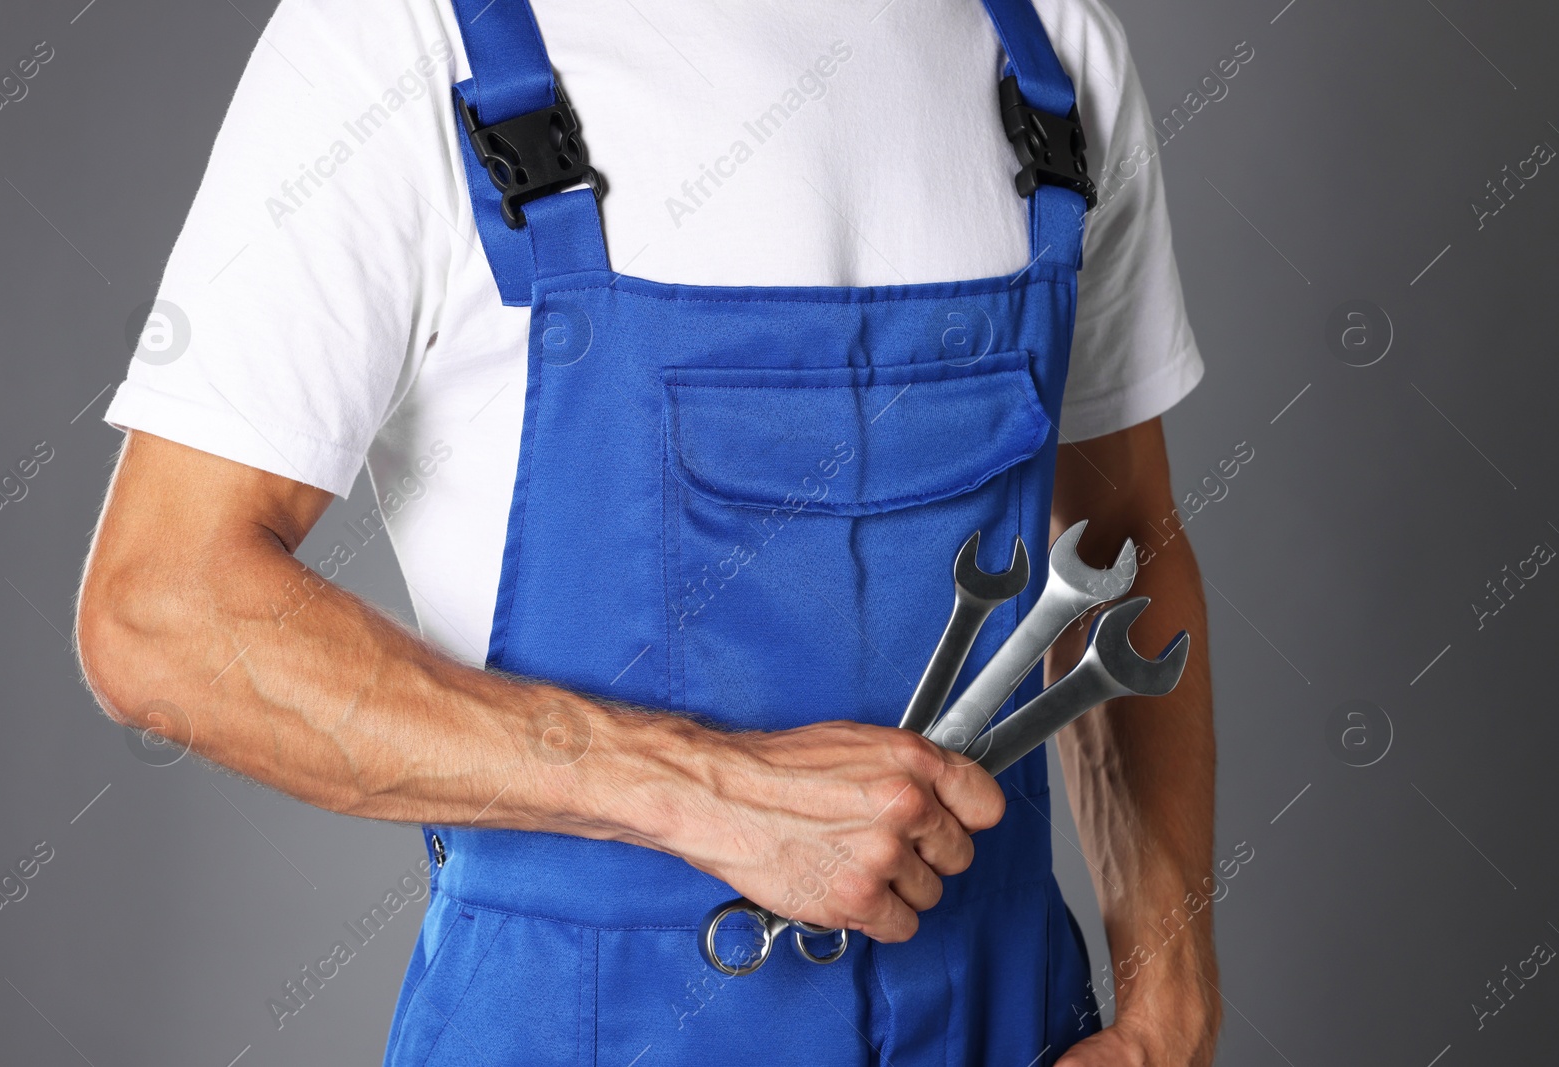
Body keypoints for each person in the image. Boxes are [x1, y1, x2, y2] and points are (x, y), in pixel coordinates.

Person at [77, 0, 1219, 1062]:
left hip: (1009, 1014)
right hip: (584, 1022)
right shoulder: (404, 40)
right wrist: (706, 789)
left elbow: (1126, 537)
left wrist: (1170, 994)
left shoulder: (1050, 48)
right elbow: (162, 610)